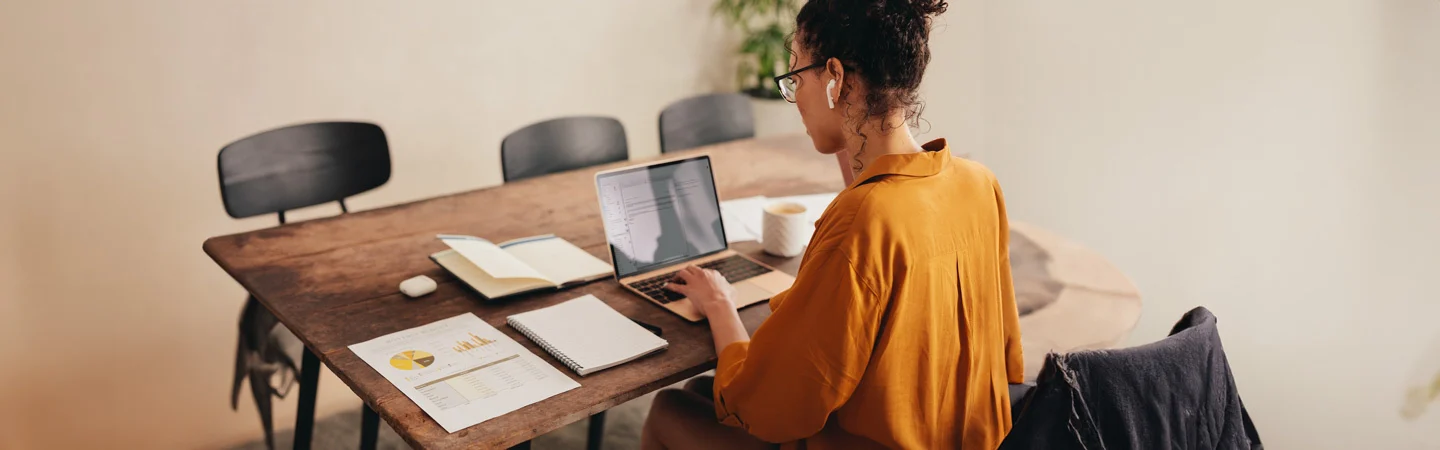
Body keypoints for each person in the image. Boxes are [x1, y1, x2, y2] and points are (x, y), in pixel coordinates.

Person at [640, 0, 1023, 448]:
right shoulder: (978, 183)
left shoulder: (863, 220)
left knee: (672, 409)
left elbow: (769, 405)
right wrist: (849, 133)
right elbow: (1006, 354)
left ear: (835, 79)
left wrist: (719, 303)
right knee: (698, 393)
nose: (793, 98)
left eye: (795, 77)